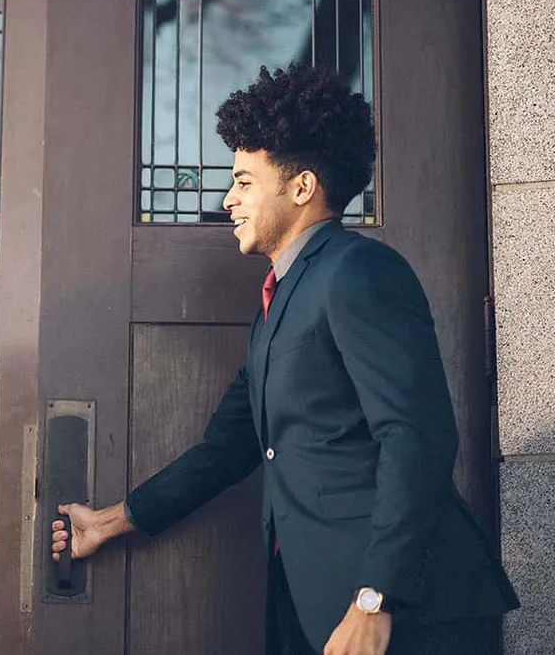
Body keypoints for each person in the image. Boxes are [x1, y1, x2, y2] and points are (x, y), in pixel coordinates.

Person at [50, 65, 517, 655]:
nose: (228, 200)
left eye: (244, 182)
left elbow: (416, 435)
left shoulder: (358, 270)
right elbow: (227, 449)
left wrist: (377, 598)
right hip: (312, 601)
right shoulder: (279, 303)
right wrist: (111, 521)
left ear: (301, 188)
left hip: (404, 615)